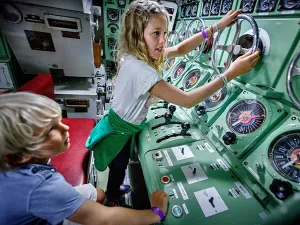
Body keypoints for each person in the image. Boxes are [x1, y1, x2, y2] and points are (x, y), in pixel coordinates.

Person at [86, 0, 260, 206]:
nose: (162, 40)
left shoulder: (134, 55)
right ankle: (112, 199)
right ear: (137, 34)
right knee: (118, 165)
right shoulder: (142, 71)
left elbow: (180, 48)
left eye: (165, 33)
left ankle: (113, 191)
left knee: (119, 166)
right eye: (156, 33)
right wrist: (229, 74)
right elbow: (188, 101)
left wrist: (216, 27)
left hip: (120, 125)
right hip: (118, 132)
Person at [0, 92, 169, 225]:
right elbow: (106, 220)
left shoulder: (14, 164)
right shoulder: (40, 186)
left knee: (99, 194)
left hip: (39, 208)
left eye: (58, 120)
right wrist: (156, 213)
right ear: (19, 155)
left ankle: (106, 202)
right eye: (50, 130)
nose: (65, 127)